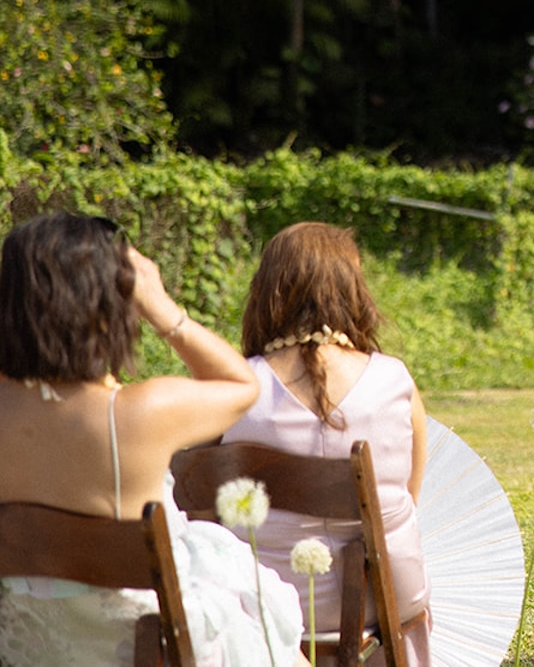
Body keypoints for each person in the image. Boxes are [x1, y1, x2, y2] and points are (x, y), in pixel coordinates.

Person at [0, 211, 306, 667]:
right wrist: (163, 310)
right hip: (139, 648)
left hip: (27, 647)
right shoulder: (139, 412)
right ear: (109, 303)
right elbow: (242, 386)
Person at [222, 221, 432, 667]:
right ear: (353, 290)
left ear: (268, 292)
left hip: (265, 604)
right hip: (386, 598)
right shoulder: (395, 380)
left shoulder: (235, 388)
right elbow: (407, 499)